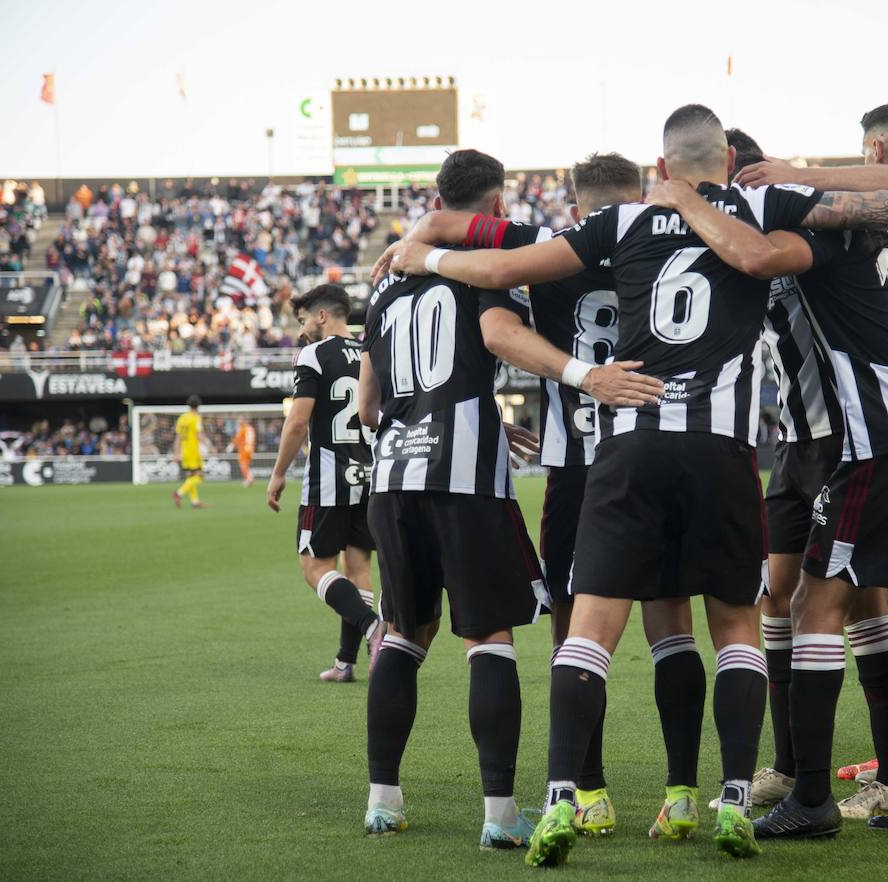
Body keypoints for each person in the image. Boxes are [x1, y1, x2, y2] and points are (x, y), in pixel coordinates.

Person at [385, 103, 888, 862]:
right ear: (728, 159)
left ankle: (566, 794)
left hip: (625, 445)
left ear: (660, 168)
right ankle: (729, 796)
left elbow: (499, 272)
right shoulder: (761, 203)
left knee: (589, 628)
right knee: (734, 625)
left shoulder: (623, 221)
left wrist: (422, 257)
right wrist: (799, 173)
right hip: (722, 447)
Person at [650, 153, 888, 835]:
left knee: (815, 600)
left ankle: (810, 797)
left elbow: (756, 257)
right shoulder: (873, 224)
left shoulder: (817, 236)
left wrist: (688, 202)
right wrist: (805, 171)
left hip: (885, 440)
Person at [374, 152, 701, 840]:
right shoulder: (677, 246)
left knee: (565, 633)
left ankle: (586, 791)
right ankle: (680, 793)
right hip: (669, 452)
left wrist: (418, 241)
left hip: (558, 466)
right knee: (672, 623)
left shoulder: (543, 252)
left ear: (577, 210)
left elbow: (404, 381)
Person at [718, 129, 888, 813]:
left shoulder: (787, 208)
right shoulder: (724, 224)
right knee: (775, 595)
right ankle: (788, 764)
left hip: (846, 433)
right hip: (793, 442)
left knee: (857, 600)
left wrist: (796, 172)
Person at [266, 284, 380, 684]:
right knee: (359, 568)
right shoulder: (372, 351)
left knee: (314, 567)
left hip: (329, 476)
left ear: (321, 316)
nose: (302, 332)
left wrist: (278, 472)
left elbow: (298, 421)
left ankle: (373, 626)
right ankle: (347, 663)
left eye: (302, 322)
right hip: (370, 475)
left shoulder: (315, 353)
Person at [172, 396, 207, 508]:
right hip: (194, 452)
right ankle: (179, 493)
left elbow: (178, 438)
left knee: (190, 477)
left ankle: (195, 502)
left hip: (184, 452)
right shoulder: (196, 418)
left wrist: (176, 453)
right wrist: (209, 445)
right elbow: (199, 435)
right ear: (198, 406)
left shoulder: (182, 418)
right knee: (200, 477)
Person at [232, 419, 256, 487]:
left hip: (244, 449)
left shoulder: (243, 428)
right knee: (247, 465)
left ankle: (249, 479)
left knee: (243, 465)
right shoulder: (251, 428)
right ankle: (250, 478)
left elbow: (237, 438)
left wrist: (231, 446)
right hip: (251, 449)